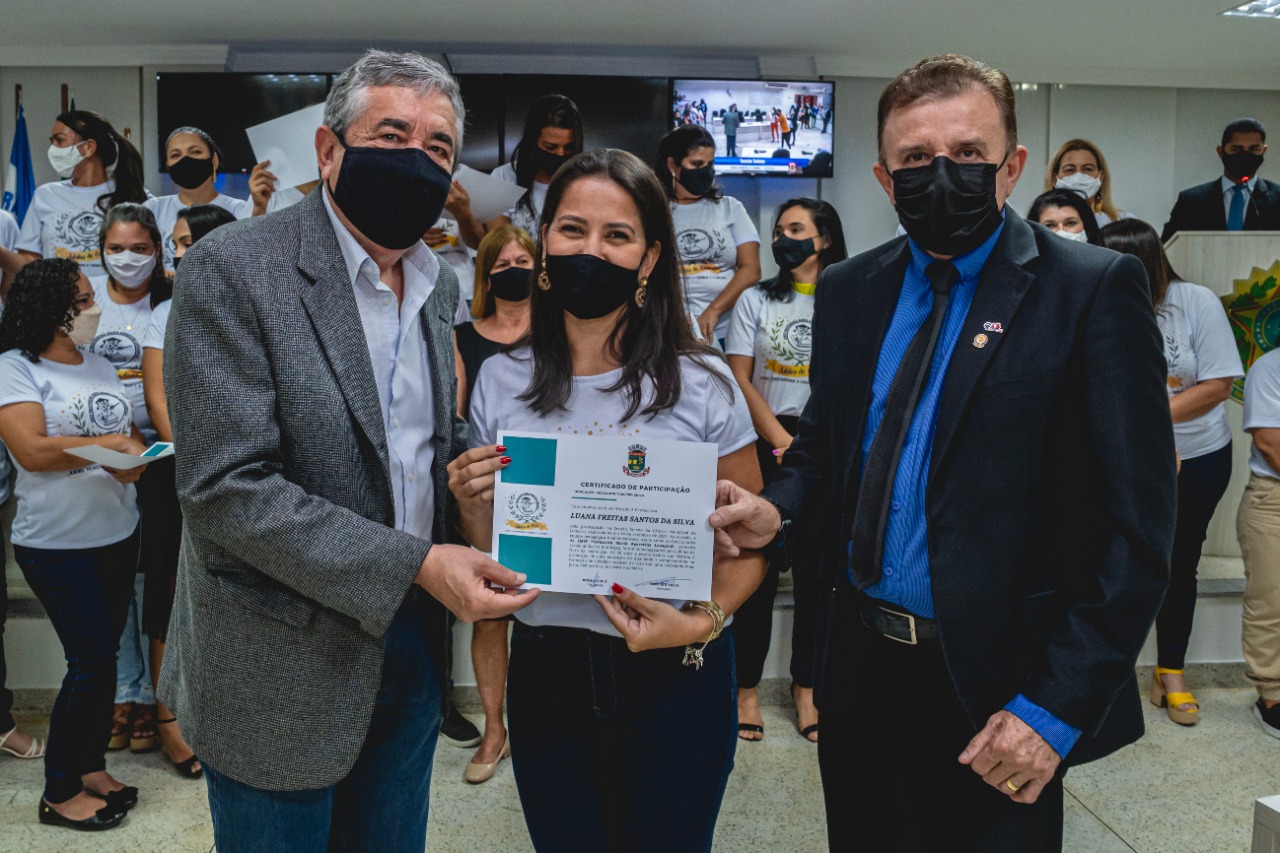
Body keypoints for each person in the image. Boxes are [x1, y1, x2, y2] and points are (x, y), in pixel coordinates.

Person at [708, 54, 1175, 850]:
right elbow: (823, 447)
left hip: (1004, 685)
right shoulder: (851, 289)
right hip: (860, 671)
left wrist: (1052, 709)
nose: (943, 174)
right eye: (917, 159)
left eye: (967, 153)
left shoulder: (1091, 288)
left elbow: (1136, 528)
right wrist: (775, 511)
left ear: (1011, 166)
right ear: (886, 180)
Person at [157, 50, 535, 853]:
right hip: (277, 658)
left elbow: (421, 445)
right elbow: (226, 488)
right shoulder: (234, 268)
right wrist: (416, 563)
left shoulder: (434, 285)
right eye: (391, 135)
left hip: (411, 648)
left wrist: (481, 490)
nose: (417, 159)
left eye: (438, 146)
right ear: (329, 151)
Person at [450, 147, 765, 853]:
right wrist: (471, 505)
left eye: (616, 235)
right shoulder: (501, 380)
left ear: (649, 258)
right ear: (544, 243)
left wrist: (700, 623)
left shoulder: (703, 382)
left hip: (678, 671)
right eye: (572, 229)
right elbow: (496, 546)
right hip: (549, 670)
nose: (590, 250)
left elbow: (750, 543)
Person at [0, 258, 148, 831]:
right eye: (82, 301)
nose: (93, 309)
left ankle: (89, 768)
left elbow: (125, 434)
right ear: (51, 310)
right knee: (87, 665)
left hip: (116, 532)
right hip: (57, 546)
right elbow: (32, 451)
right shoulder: (15, 368)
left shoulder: (99, 364)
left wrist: (132, 458)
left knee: (103, 662)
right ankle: (59, 791)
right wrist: (105, 445)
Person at [1100, 218, 1242, 726]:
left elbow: (1219, 385)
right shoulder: (1099, 302)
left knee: (1179, 562)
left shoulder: (1194, 301)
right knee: (1114, 563)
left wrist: (1148, 422)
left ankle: (1171, 671)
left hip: (1199, 456)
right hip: (1122, 456)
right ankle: (1105, 679)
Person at [725, 197, 847, 746]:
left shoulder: (848, 296)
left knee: (820, 573)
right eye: (778, 231)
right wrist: (780, 439)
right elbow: (738, 376)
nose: (782, 239)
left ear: (824, 239)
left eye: (795, 229)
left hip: (827, 444)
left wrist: (810, 444)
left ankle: (807, 687)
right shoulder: (755, 298)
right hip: (764, 440)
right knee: (757, 566)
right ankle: (745, 688)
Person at [141, 203, 236, 781]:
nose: (176, 253)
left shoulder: (250, 303)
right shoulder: (165, 313)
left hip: (246, 476)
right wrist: (203, 463)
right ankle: (169, 721)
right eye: (173, 243)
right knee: (169, 594)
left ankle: (225, 714)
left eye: (185, 241)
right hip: (181, 474)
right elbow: (159, 401)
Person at [451, 224, 535, 784]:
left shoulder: (563, 330)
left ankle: (546, 727)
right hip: (485, 492)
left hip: (551, 490)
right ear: (484, 274)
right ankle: (495, 729)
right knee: (491, 613)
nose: (513, 271)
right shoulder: (462, 336)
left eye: (523, 261)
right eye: (501, 264)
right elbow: (456, 420)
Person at [91, 203, 172, 758]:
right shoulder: (84, 300)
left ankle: (149, 696)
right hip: (96, 459)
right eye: (116, 248)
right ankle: (123, 689)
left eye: (139, 249)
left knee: (151, 577)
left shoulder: (170, 301)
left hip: (161, 457)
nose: (127, 259)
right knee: (112, 576)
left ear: (157, 250)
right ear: (100, 251)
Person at [0, 111, 147, 284]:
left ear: (89, 147)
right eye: (52, 141)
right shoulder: (45, 195)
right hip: (57, 299)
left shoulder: (134, 195)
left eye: (59, 140)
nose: (52, 149)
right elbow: (29, 266)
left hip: (116, 298)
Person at [656, 125, 761, 345]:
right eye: (696, 164)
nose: (705, 171)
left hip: (726, 329)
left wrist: (713, 310)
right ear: (672, 165)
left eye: (710, 164)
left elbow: (751, 269)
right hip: (668, 328)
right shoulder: (654, 210)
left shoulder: (731, 207)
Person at [143, 127, 269, 268]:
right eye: (175, 155)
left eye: (195, 152)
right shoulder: (153, 209)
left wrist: (259, 209)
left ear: (214, 160)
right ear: (168, 165)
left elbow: (250, 258)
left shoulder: (239, 209)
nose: (185, 160)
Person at [1238, 348, 1280, 739]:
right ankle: (1272, 695)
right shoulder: (1270, 369)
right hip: (1273, 501)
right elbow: (1270, 443)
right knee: (1271, 602)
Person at [484, 94, 583, 241]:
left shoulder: (585, 181)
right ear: (532, 141)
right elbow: (502, 243)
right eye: (550, 147)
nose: (560, 154)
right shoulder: (503, 178)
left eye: (568, 147)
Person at [1163, 118, 1280, 240]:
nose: (1245, 155)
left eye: (1254, 149)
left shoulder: (1278, 199)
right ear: (1221, 152)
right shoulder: (1190, 201)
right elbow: (1165, 247)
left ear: (1263, 151)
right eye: (1236, 149)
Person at [1044, 139, 1128, 225]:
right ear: (1054, 179)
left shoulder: (1123, 221)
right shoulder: (1041, 225)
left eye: (1088, 169)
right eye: (1070, 170)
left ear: (1101, 177)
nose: (1078, 177)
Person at [1027, 188, 1103, 245]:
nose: (1061, 232)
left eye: (1070, 223)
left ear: (1087, 228)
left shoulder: (1105, 261)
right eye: (1049, 225)